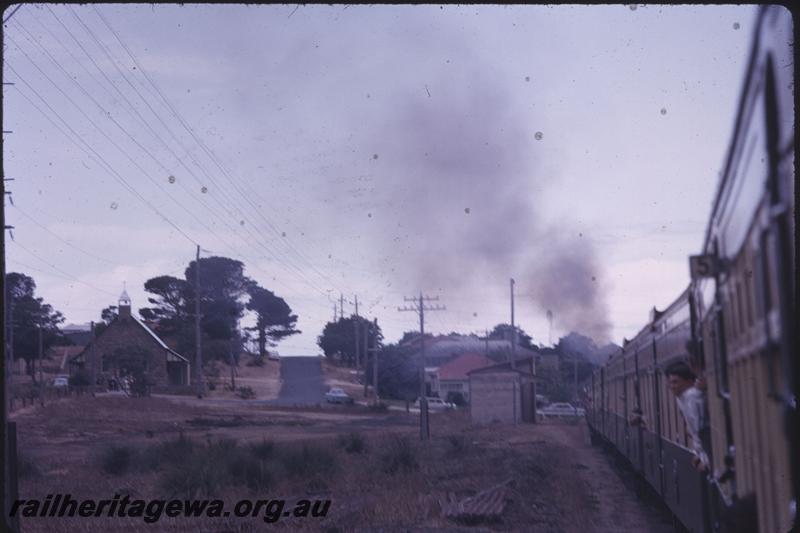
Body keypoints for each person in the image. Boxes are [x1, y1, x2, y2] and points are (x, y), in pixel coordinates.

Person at [665, 360, 709, 472]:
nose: (671, 386)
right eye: (670, 382)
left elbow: (701, 430)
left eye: (675, 382)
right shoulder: (681, 397)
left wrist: (703, 458)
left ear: (689, 381)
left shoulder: (692, 398)